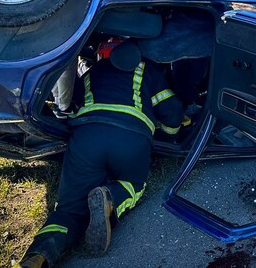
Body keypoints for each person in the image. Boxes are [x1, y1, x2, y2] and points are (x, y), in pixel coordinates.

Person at [16, 40, 184, 268]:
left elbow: (70, 105)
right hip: (130, 138)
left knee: (67, 210)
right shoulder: (147, 70)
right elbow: (172, 111)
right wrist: (168, 137)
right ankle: (110, 197)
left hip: (88, 137)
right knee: (133, 184)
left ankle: (39, 255)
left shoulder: (90, 74)